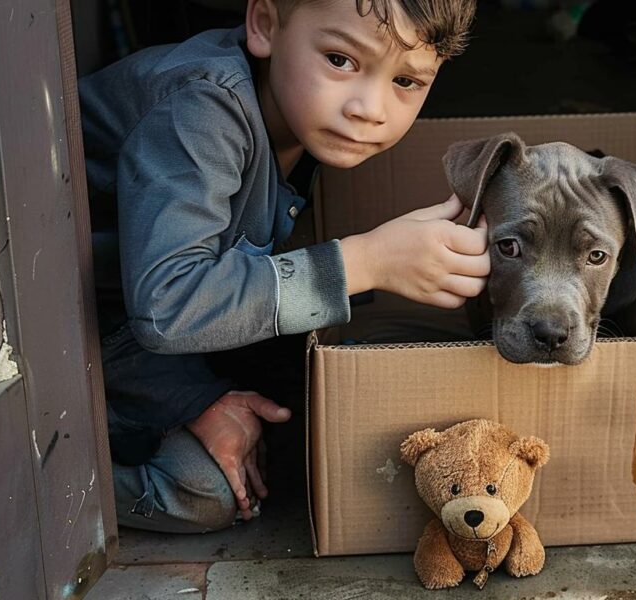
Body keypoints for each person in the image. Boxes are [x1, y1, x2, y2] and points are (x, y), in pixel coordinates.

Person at [79, 0, 483, 533]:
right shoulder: (203, 109)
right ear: (265, 25)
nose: (370, 107)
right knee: (206, 492)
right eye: (340, 60)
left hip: (132, 318)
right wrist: (366, 262)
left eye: (407, 81)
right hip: (62, 335)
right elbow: (166, 305)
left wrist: (208, 399)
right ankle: (38, 486)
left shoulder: (303, 119)